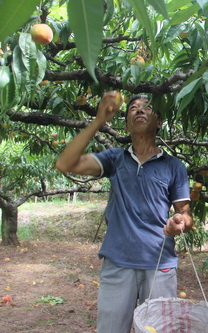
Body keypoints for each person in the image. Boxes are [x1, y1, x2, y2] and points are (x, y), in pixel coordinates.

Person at [56, 92, 193, 333]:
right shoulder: (115, 159)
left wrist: (180, 222)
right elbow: (65, 164)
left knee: (159, 329)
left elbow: (185, 212)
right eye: (133, 108)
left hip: (159, 263)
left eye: (147, 107)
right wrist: (98, 121)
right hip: (118, 262)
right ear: (127, 124)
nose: (139, 110)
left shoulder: (174, 166)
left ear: (159, 122)